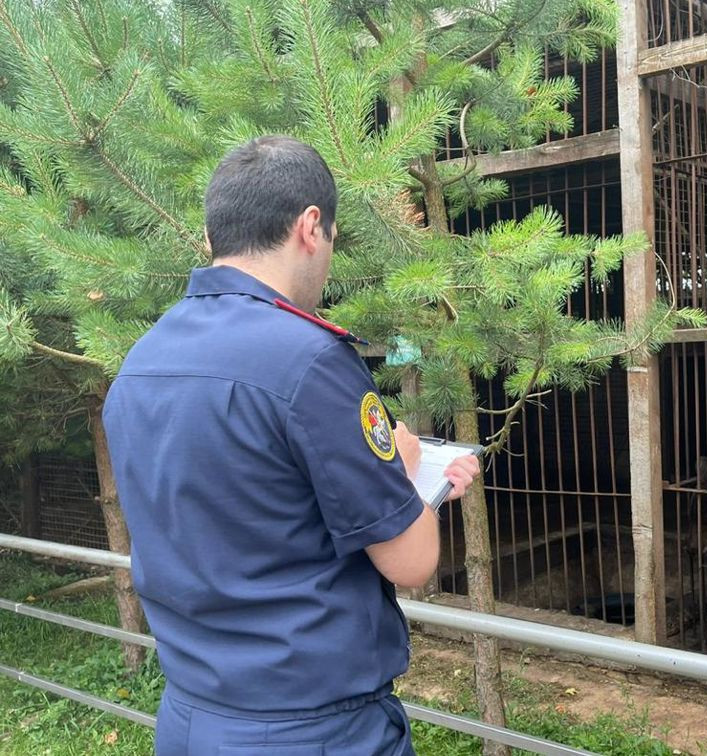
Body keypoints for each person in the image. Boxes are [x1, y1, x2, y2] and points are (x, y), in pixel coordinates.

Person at [102, 135, 479, 755]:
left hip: (191, 721)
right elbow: (410, 564)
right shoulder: (310, 362)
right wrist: (409, 475)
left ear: (211, 236)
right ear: (311, 227)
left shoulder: (141, 363)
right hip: (314, 730)